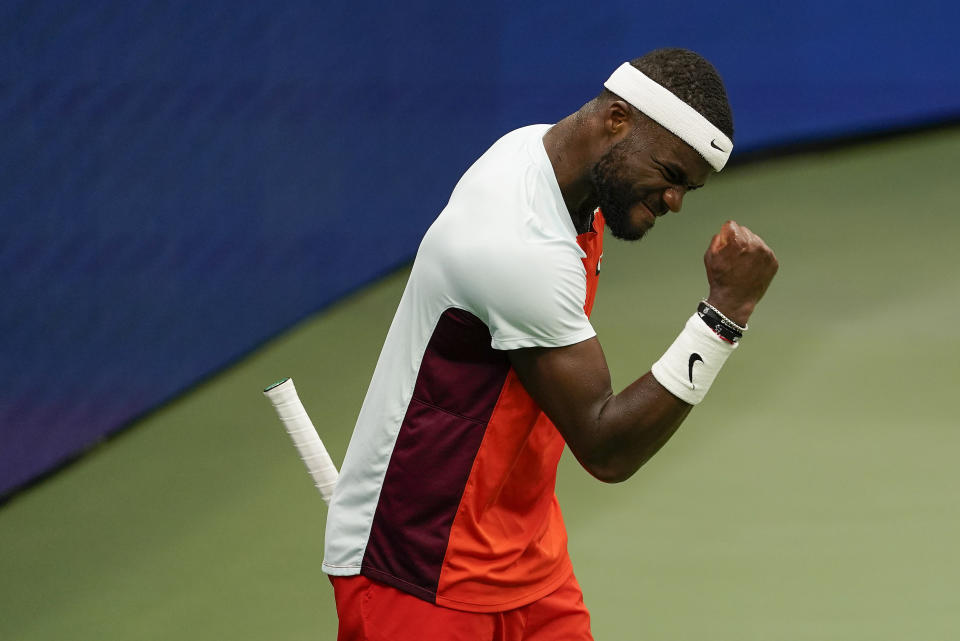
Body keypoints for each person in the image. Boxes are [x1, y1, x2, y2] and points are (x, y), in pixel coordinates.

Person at [322, 48, 778, 640]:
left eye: (687, 187)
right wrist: (723, 316)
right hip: (419, 573)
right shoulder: (518, 243)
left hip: (525, 553)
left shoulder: (556, 167)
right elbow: (606, 447)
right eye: (670, 176)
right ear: (618, 119)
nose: (675, 202)